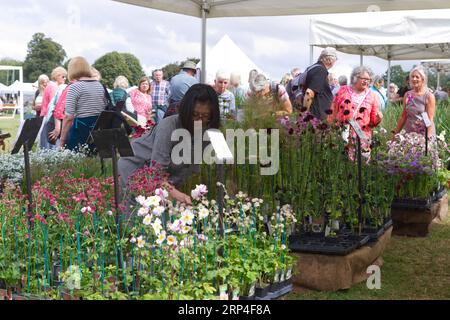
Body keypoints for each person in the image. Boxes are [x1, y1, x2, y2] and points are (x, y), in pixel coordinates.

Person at [118, 83, 221, 205]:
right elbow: (156, 172)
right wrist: (177, 194)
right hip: (135, 170)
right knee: (137, 217)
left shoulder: (208, 131)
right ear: (186, 110)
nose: (199, 120)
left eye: (205, 116)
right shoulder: (168, 126)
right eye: (195, 114)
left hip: (163, 180)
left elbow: (193, 168)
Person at [329, 65, 383, 158]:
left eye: (369, 79)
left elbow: (373, 122)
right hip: (342, 133)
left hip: (362, 136)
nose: (366, 81)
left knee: (360, 165)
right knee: (340, 162)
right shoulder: (343, 90)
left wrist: (378, 118)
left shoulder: (372, 96)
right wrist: (330, 127)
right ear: (355, 78)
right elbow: (333, 110)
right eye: (364, 78)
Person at [60, 56, 108, 152]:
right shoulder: (100, 86)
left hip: (81, 130)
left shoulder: (75, 87)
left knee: (76, 163)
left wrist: (62, 140)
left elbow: (68, 117)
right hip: (98, 130)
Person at [393, 66, 436, 139]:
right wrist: (395, 134)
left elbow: (430, 118)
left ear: (423, 79)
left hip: (424, 133)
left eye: (417, 77)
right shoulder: (407, 95)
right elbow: (403, 116)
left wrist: (428, 136)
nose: (414, 79)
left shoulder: (429, 96)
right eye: (412, 77)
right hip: (410, 134)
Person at [303, 47, 338, 120]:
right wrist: (305, 114)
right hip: (315, 118)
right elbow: (309, 92)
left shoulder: (312, 68)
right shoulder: (320, 70)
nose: (335, 63)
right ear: (329, 60)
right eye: (335, 60)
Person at [39, 67, 67, 149]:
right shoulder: (54, 87)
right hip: (50, 119)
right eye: (63, 76)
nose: (65, 79)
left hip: (45, 117)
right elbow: (56, 105)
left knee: (46, 146)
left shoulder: (50, 85)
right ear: (57, 76)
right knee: (51, 146)